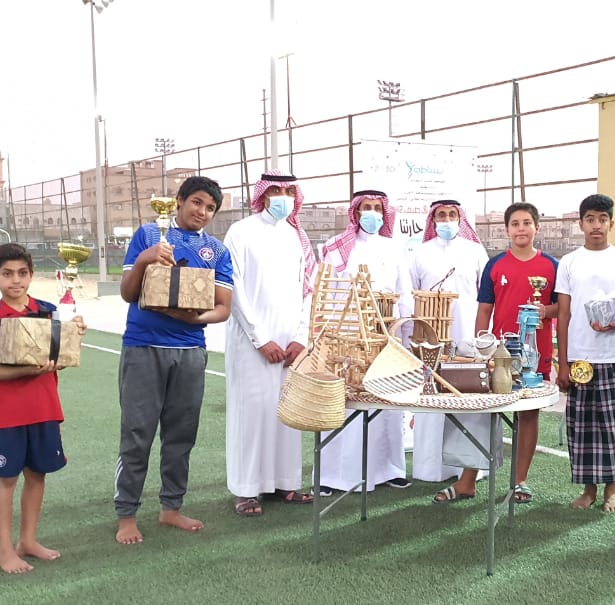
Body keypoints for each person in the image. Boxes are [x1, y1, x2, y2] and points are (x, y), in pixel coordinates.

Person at [114, 175, 233, 545]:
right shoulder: (149, 235)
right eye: (196, 202)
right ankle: (126, 514)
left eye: (210, 208)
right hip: (143, 346)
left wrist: (192, 318)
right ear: (179, 200)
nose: (202, 212)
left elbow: (223, 308)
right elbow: (127, 293)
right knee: (137, 433)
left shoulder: (217, 251)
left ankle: (171, 507)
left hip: (190, 351)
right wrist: (145, 260)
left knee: (181, 435)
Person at [0, 243, 87, 573]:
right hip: (8, 414)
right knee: (7, 478)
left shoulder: (48, 311)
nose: (16, 280)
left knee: (37, 475)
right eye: (7, 274)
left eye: (22, 273)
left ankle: (28, 541)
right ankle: (4, 549)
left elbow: (59, 359)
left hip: (45, 408)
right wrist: (29, 370)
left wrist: (74, 334)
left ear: (31, 275)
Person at [440, 202, 559, 504]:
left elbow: (562, 306)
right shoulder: (495, 266)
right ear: (507, 230)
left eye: (527, 223)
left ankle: (519, 482)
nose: (521, 229)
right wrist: (482, 349)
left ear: (537, 228)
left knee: (528, 415)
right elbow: (484, 310)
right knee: (483, 412)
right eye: (515, 224)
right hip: (499, 355)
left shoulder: (551, 266)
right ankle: (467, 481)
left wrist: (547, 311)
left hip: (536, 355)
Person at [222, 171, 318, 517]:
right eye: (275, 190)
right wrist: (261, 339)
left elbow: (308, 290)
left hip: (290, 344)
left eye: (288, 191)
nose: (282, 197)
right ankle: (246, 490)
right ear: (262, 195)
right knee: (252, 415)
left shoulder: (295, 236)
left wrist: (300, 338)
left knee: (286, 414)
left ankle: (285, 483)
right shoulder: (241, 232)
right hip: (251, 344)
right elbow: (233, 288)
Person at [317, 190, 413, 495]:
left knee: (386, 403)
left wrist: (406, 335)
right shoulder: (337, 247)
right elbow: (326, 291)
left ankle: (389, 470)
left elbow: (404, 293)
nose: (372, 213)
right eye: (366, 207)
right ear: (355, 212)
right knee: (344, 402)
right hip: (346, 336)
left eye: (377, 208)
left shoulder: (394, 248)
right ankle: (332, 476)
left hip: (386, 335)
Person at [555, 194, 615, 513]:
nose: (596, 225)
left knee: (613, 425)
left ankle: (612, 491)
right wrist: (562, 363)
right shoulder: (569, 262)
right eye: (590, 219)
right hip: (579, 358)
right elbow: (563, 314)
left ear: (611, 224)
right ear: (581, 224)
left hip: (614, 356)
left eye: (602, 219)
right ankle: (588, 490)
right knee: (582, 427)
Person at [406, 200, 490, 490]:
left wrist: (483, 337)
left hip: (467, 335)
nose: (446, 219)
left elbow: (485, 295)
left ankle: (467, 470)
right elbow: (411, 295)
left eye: (452, 214)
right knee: (431, 394)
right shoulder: (421, 253)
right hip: (430, 337)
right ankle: (430, 468)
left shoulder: (475, 251)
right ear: (433, 219)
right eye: (441, 215)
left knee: (466, 397)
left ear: (460, 218)